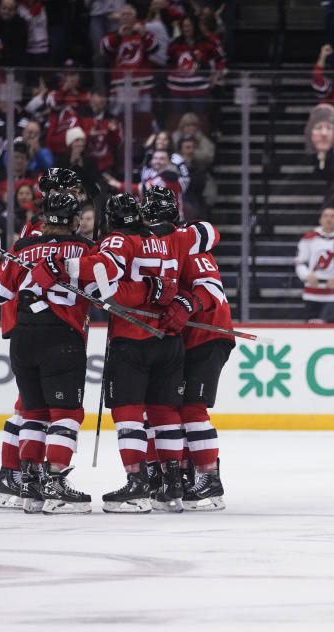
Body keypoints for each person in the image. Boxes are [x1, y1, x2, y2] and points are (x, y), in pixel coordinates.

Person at [64, 193, 219, 513]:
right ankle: (172, 482)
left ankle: (137, 484)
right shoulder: (176, 238)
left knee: (129, 412)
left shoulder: (122, 240)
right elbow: (211, 232)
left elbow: (104, 282)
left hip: (132, 338)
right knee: (166, 414)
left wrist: (64, 264)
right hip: (171, 340)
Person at [0, 193, 95, 514]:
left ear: (44, 219)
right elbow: (102, 292)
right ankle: (55, 480)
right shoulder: (86, 249)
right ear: (74, 220)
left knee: (33, 412)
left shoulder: (22, 249)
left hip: (23, 337)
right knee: (66, 414)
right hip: (62, 337)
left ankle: (30, 482)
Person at [142, 186, 230, 509]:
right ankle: (182, 473)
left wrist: (187, 302)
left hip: (207, 336)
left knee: (192, 408)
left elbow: (212, 289)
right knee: (169, 408)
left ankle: (210, 482)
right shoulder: (159, 246)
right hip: (186, 339)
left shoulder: (187, 242)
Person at [295, 207, 334, 322]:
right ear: (320, 220)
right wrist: (306, 276)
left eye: (332, 216)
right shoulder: (309, 238)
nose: (329, 219)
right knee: (311, 332)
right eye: (325, 216)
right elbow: (300, 262)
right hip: (312, 294)